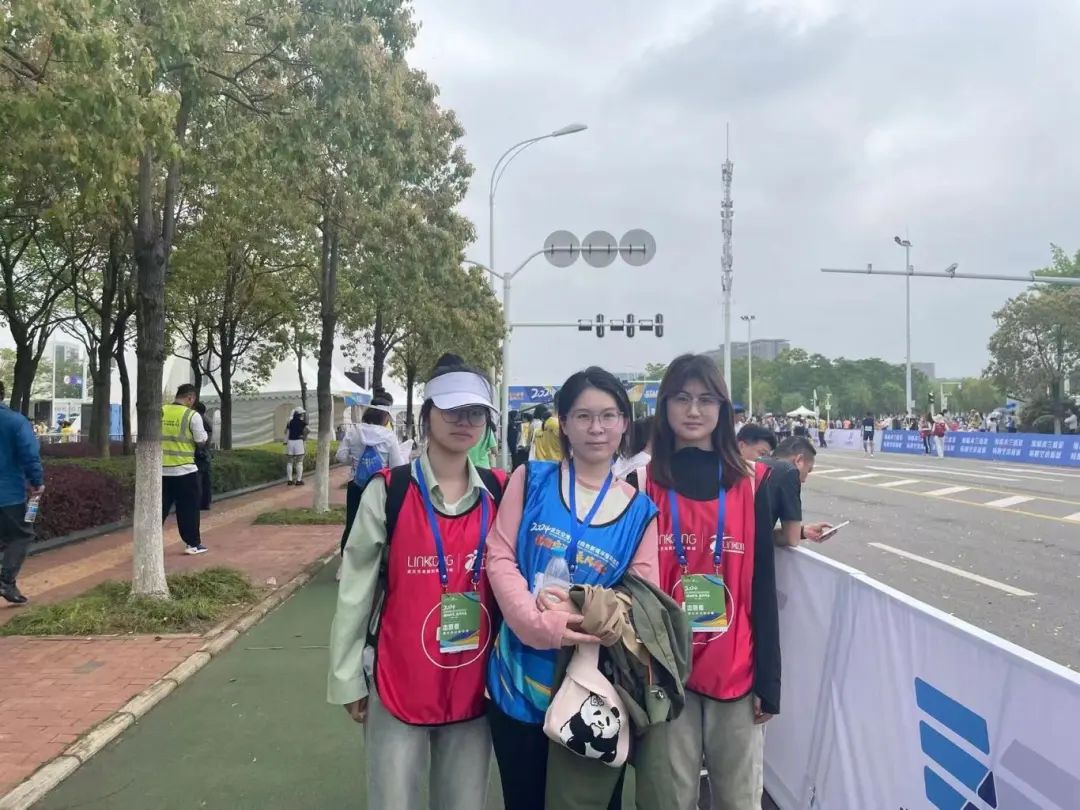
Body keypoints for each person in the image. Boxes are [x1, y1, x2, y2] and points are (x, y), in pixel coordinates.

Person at [328, 358, 508, 810]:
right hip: (397, 676)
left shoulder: (502, 493)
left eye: (475, 412)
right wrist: (348, 679)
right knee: (392, 800)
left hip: (475, 680)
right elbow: (355, 592)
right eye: (451, 410)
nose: (464, 421)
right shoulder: (389, 491)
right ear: (426, 414)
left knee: (465, 802)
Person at [485, 366, 659, 810]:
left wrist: (582, 612)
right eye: (583, 416)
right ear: (563, 423)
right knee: (523, 799)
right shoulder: (531, 479)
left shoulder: (640, 511)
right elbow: (500, 555)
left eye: (608, 415)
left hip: (594, 691)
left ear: (624, 423)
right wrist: (534, 622)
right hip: (517, 679)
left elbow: (642, 597)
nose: (596, 428)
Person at [638, 355, 780, 810]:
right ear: (664, 406)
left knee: (738, 800)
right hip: (665, 674)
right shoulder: (641, 482)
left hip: (736, 671)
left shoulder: (752, 483)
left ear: (723, 408)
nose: (694, 410)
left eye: (706, 399)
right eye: (682, 398)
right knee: (671, 800)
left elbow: (762, 586)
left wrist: (769, 680)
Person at [336, 390, 409, 556]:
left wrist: (356, 461)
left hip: (355, 484)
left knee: (352, 522)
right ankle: (374, 560)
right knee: (377, 524)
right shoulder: (389, 436)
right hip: (379, 486)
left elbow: (340, 456)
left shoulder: (354, 431)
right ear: (385, 416)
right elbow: (397, 466)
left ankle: (346, 561)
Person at [0, 382, 44, 605]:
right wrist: (36, 482)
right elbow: (29, 454)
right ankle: (6, 581)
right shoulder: (15, 421)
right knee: (22, 535)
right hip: (7, 494)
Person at [762, 436, 835, 547]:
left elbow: (756, 533)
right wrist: (796, 533)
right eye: (808, 470)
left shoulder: (756, 463)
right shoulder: (789, 472)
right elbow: (792, 539)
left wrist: (802, 531)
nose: (804, 480)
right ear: (799, 460)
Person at [162, 384, 208, 554]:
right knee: (188, 509)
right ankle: (193, 544)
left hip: (160, 470)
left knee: (159, 510)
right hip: (185, 470)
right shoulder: (192, 415)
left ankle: (148, 544)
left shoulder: (160, 411)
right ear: (190, 398)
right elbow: (200, 440)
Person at [193, 402, 213, 511]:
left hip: (200, 454)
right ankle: (206, 503)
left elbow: (200, 439)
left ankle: (199, 502)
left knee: (199, 480)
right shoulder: (207, 419)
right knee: (206, 480)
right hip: (205, 454)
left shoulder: (199, 420)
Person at [284, 407, 309, 485]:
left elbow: (286, 432)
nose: (303, 415)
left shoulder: (289, 422)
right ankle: (299, 480)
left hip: (290, 442)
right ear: (299, 414)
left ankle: (290, 480)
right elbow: (308, 430)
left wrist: (285, 441)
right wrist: (303, 436)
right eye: (302, 414)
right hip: (299, 442)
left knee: (289, 462)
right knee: (299, 462)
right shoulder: (303, 423)